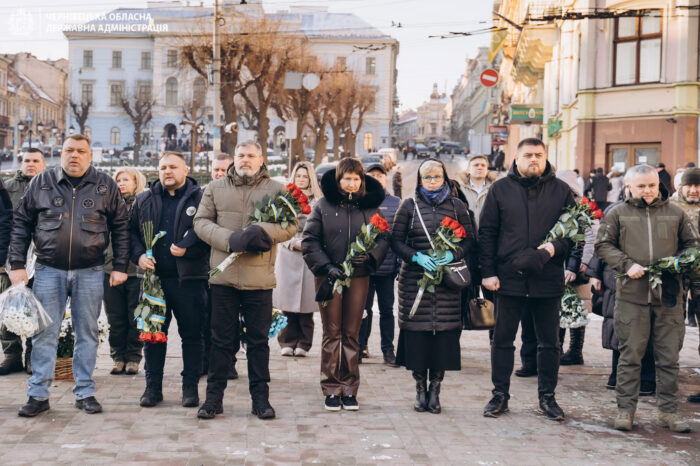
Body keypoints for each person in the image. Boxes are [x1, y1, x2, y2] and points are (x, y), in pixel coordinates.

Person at [9, 134, 130, 417]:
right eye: (68, 150)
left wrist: (121, 266)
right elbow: (21, 223)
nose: (74, 155)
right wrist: (16, 264)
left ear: (91, 155)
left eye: (80, 151)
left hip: (90, 270)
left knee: (86, 333)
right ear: (60, 153)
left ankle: (85, 391)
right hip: (49, 269)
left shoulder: (105, 185)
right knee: (44, 334)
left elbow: (121, 226)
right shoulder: (42, 183)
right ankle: (38, 394)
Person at [194, 141, 297, 420]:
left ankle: (260, 400)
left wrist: (259, 233)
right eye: (241, 155)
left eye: (251, 155)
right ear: (234, 159)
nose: (245, 160)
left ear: (261, 159)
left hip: (258, 279)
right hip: (223, 279)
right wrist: (229, 240)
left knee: (258, 341)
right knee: (220, 341)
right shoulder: (214, 188)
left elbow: (290, 225)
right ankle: (213, 399)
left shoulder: (277, 190)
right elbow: (201, 223)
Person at [596, 164, 697, 433]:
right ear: (629, 187)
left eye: (652, 185)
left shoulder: (675, 213)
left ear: (659, 184)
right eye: (641, 186)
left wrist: (681, 262)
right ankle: (625, 411)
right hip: (632, 296)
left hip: (669, 297)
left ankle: (668, 412)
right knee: (630, 356)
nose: (648, 190)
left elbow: (692, 246)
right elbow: (603, 245)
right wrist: (626, 264)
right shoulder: (618, 213)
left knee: (669, 358)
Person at [480, 138, 574, 421]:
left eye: (539, 155)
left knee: (549, 343)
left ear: (546, 157)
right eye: (528, 155)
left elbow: (573, 234)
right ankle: (500, 395)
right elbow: (487, 233)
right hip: (508, 278)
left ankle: (547, 397)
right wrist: (487, 272)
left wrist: (555, 248)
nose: (534, 159)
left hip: (547, 278)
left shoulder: (562, 191)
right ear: (516, 158)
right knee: (503, 340)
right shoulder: (500, 189)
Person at [302, 157, 389, 412]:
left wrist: (371, 256)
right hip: (329, 276)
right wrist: (327, 266)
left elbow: (384, 237)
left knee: (351, 333)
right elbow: (310, 240)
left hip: (359, 277)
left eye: (356, 179)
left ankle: (349, 388)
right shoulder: (323, 206)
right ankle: (331, 388)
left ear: (362, 181)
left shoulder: (370, 208)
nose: (351, 184)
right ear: (338, 180)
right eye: (346, 178)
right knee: (332, 332)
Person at [391, 159, 475, 414]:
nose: (432, 181)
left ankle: (435, 389)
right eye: (427, 177)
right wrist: (416, 256)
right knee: (418, 336)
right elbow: (395, 240)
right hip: (415, 282)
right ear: (419, 180)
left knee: (443, 338)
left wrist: (453, 255)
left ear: (445, 178)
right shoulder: (409, 205)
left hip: (447, 284)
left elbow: (471, 239)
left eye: (436, 176)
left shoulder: (457, 205)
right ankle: (419, 388)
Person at [129, 152, 209, 409]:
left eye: (173, 167)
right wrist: (138, 255)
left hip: (189, 280)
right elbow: (130, 233)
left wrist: (189, 249)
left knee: (192, 336)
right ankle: (152, 387)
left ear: (186, 169)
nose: (167, 171)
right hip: (155, 282)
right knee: (153, 336)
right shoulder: (144, 199)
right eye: (163, 167)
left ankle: (190, 388)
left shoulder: (201, 198)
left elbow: (208, 232)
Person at [0, 148, 46, 375]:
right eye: (26, 160)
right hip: (10, 257)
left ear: (44, 164)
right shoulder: (8, 187)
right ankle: (11, 356)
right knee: (7, 307)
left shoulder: (49, 186)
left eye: (36, 160)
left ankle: (32, 357)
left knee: (36, 308)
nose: (31, 164)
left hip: (41, 258)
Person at [274, 161, 322, 357]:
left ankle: (304, 342)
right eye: (298, 176)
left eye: (305, 176)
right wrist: (291, 242)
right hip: (287, 254)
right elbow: (277, 227)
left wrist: (309, 244)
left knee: (306, 303)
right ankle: (286, 340)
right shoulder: (283, 199)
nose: (302, 180)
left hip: (309, 255)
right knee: (286, 302)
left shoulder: (318, 202)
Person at [104, 168, 147, 376]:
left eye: (126, 180)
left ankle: (133, 357)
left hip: (135, 271)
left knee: (134, 317)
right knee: (115, 317)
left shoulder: (142, 204)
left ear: (136, 182)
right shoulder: (108, 204)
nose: (121, 184)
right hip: (109, 269)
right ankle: (117, 356)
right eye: (118, 180)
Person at [358, 163, 400, 366]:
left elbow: (400, 236)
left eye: (380, 175)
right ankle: (360, 347)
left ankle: (388, 349)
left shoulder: (396, 203)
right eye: (371, 175)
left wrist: (399, 263)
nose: (376, 178)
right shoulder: (359, 201)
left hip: (387, 267)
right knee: (363, 310)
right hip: (364, 267)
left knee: (386, 309)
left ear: (386, 179)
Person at [202, 152, 239, 379]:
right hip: (203, 266)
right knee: (205, 318)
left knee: (228, 320)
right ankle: (206, 361)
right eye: (215, 169)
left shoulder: (236, 196)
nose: (218, 174)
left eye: (223, 170)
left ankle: (229, 362)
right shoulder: (203, 194)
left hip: (228, 265)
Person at [456, 154, 495, 228]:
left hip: (488, 235)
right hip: (466, 235)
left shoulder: (495, 189)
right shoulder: (458, 189)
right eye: (476, 165)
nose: (480, 167)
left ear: (487, 170)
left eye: (483, 165)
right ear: (468, 169)